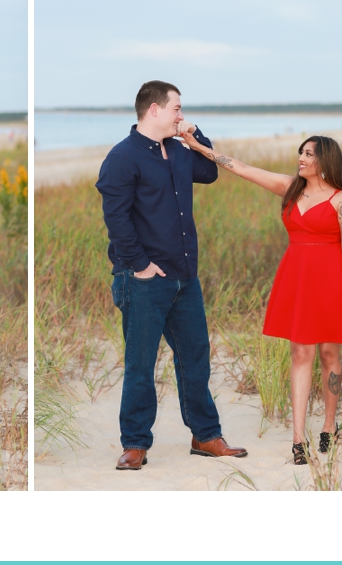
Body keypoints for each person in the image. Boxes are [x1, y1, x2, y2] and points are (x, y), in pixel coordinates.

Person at [178, 131, 342, 465]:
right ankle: (298, 439)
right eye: (300, 152)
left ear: (325, 160)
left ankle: (329, 426)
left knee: (330, 353)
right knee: (300, 352)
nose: (301, 158)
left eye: (309, 154)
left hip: (332, 281)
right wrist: (198, 146)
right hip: (298, 279)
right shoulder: (291, 188)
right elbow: (241, 167)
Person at [95, 80, 248, 472]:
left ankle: (205, 435)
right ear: (155, 110)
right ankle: (135, 444)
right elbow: (117, 221)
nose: (182, 114)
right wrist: (141, 266)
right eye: (177, 108)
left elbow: (210, 172)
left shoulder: (181, 152)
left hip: (185, 276)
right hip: (143, 280)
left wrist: (196, 136)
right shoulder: (122, 157)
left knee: (195, 357)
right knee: (141, 364)